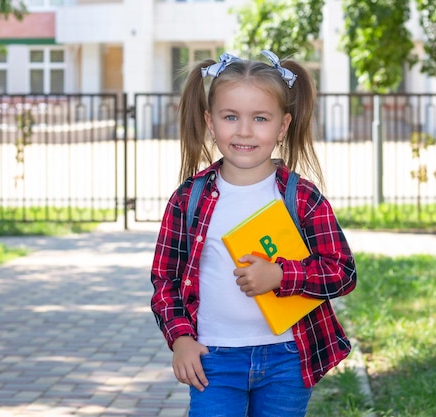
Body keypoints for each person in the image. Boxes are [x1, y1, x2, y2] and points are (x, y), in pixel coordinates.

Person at [150, 50, 358, 417]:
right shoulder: (189, 199)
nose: (244, 130)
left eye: (260, 118)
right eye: (230, 117)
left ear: (282, 126)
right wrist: (180, 338)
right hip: (212, 359)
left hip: (288, 359)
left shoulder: (301, 197)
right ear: (210, 123)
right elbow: (165, 280)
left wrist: (280, 275)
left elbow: (343, 272)